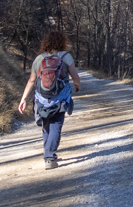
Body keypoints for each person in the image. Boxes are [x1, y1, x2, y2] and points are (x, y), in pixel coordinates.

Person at [18, 30, 82, 169]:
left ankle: (48, 154)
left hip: (42, 98)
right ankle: (49, 157)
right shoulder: (66, 57)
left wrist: (23, 99)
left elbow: (31, 80)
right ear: (62, 42)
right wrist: (77, 84)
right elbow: (74, 75)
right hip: (60, 98)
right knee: (56, 126)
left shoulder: (39, 59)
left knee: (47, 125)